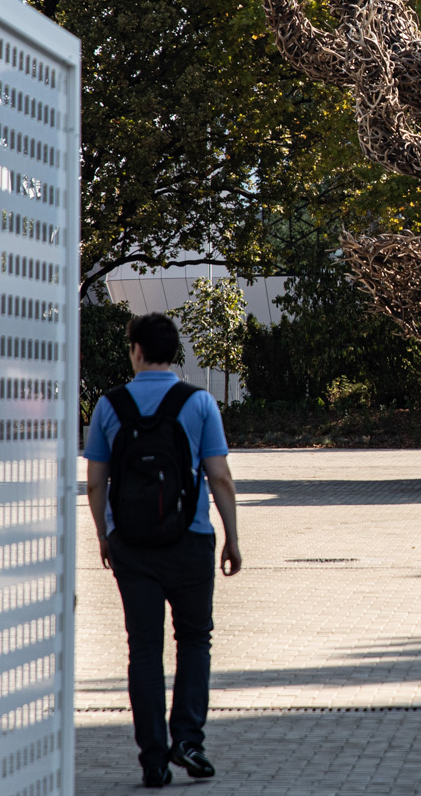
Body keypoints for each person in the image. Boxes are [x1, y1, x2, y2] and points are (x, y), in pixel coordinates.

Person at [86, 313, 242, 787]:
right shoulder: (198, 404)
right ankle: (188, 739)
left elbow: (95, 483)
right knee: (194, 640)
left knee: (144, 649)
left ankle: (153, 757)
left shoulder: (109, 406)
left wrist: (104, 535)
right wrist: (232, 538)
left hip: (132, 547)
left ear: (135, 350)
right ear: (174, 352)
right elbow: (219, 476)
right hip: (191, 541)